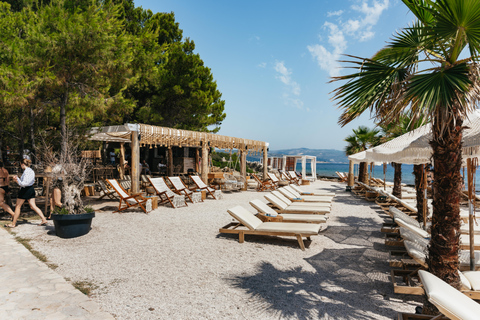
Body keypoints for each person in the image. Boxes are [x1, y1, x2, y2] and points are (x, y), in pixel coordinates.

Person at [5, 159, 48, 228]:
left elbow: (23, 184)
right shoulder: (31, 171)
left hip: (25, 190)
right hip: (31, 189)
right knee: (33, 206)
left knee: (18, 206)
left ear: (22, 164)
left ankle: (13, 223)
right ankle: (43, 219)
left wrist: (16, 180)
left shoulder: (26, 172)